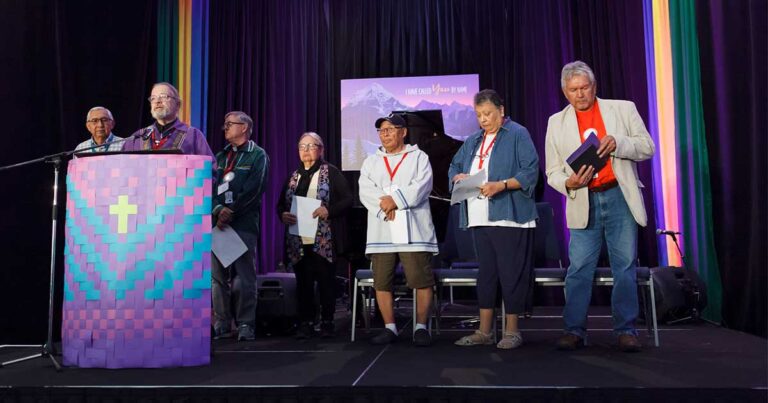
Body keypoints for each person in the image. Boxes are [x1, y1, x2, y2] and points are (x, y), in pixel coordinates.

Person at [544, 61, 655, 352]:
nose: (580, 94)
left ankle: (625, 330)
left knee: (624, 265)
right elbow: (552, 171)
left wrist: (619, 142)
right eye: (573, 90)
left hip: (619, 195)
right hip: (584, 199)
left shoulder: (623, 109)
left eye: (584, 87)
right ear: (565, 92)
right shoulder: (556, 122)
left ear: (594, 86)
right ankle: (574, 330)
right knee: (579, 267)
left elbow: (647, 146)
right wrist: (568, 183)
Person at [448, 89, 539, 350]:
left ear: (501, 110)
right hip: (479, 215)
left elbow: (530, 171)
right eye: (479, 115)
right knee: (486, 274)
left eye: (488, 113)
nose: (483, 119)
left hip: (509, 215)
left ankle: (512, 331)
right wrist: (458, 177)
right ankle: (484, 331)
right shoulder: (473, 140)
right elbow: (454, 167)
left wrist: (502, 185)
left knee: (511, 274)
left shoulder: (518, 133)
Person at [358, 113, 438, 347]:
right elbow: (365, 190)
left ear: (403, 132)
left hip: (413, 228)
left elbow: (422, 185)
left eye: (390, 129)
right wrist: (385, 205)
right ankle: (389, 327)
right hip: (382, 228)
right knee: (382, 281)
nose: (385, 134)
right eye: (382, 131)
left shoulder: (418, 157)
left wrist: (396, 200)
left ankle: (421, 327)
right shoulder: (371, 161)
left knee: (420, 279)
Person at [277, 132, 353, 339]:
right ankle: (306, 322)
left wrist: (329, 210)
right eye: (302, 146)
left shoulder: (331, 172)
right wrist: (282, 215)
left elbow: (348, 199)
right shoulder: (293, 176)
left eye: (311, 146)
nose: (306, 150)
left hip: (323, 239)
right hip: (298, 239)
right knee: (304, 283)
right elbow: (281, 205)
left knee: (326, 281)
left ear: (321, 150)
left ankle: (327, 321)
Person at [211, 111, 269, 341]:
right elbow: (209, 187)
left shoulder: (258, 155)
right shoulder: (221, 156)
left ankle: (246, 324)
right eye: (224, 124)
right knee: (217, 278)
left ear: (244, 127)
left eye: (230, 124)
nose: (225, 127)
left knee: (244, 277)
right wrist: (218, 209)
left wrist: (231, 212)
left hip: (242, 224)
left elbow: (255, 191)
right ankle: (222, 323)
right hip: (219, 225)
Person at [123, 82, 215, 158]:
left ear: (177, 104)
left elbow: (208, 169)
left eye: (163, 96)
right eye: (153, 98)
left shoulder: (193, 136)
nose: (157, 101)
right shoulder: (138, 137)